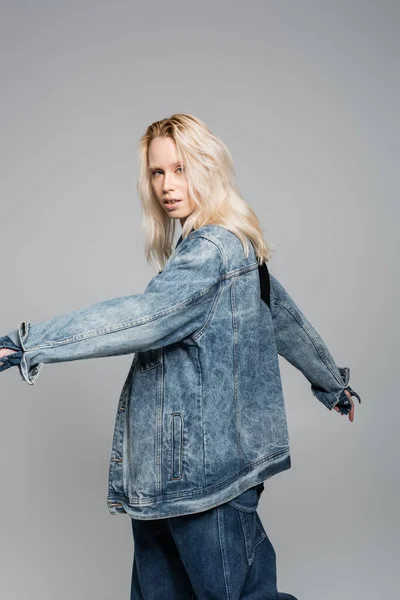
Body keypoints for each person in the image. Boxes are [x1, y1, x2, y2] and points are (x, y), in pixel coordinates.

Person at [0, 113, 361, 599]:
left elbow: (144, 316)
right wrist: (331, 384)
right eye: (157, 172)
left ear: (208, 169)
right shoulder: (233, 246)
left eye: (181, 169)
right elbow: (283, 316)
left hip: (199, 475)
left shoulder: (211, 251)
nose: (167, 186)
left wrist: (29, 343)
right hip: (175, 473)